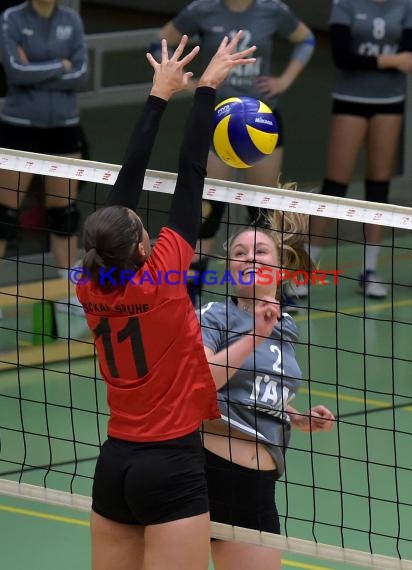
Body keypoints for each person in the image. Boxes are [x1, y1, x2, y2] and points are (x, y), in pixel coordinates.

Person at [76, 33, 256, 570]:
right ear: (139, 245)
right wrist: (204, 91)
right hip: (171, 465)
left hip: (115, 465)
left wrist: (160, 95)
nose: (142, 218)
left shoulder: (91, 282)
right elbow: (191, 173)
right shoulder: (162, 276)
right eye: (140, 225)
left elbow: (124, 187)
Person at [197, 211, 335, 570]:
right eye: (239, 253)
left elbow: (257, 389)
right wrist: (254, 334)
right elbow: (201, 383)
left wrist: (293, 414)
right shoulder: (212, 316)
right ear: (229, 269)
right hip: (202, 471)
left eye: (260, 251)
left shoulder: (286, 326)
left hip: (257, 485)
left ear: (282, 269)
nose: (249, 258)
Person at [156, 0, 316, 305]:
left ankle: (268, 289)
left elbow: (306, 39)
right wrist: (190, 82)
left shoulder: (272, 10)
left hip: (261, 122)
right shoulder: (203, 9)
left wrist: (284, 80)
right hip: (218, 121)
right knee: (208, 209)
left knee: (265, 210)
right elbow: (160, 40)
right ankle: (190, 290)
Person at [308, 0, 412, 298]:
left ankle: (369, 269)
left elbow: (409, 54)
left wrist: (389, 60)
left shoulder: (404, 6)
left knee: (378, 188)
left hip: (389, 103)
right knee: (334, 186)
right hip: (350, 100)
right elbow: (343, 56)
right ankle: (306, 267)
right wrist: (391, 61)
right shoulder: (346, 4)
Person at [0, 0, 88, 281]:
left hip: (63, 128)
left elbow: (82, 74)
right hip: (19, 128)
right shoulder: (12, 18)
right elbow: (14, 71)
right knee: (3, 217)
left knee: (65, 215)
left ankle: (69, 293)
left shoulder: (71, 20)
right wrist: (61, 66)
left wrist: (36, 70)